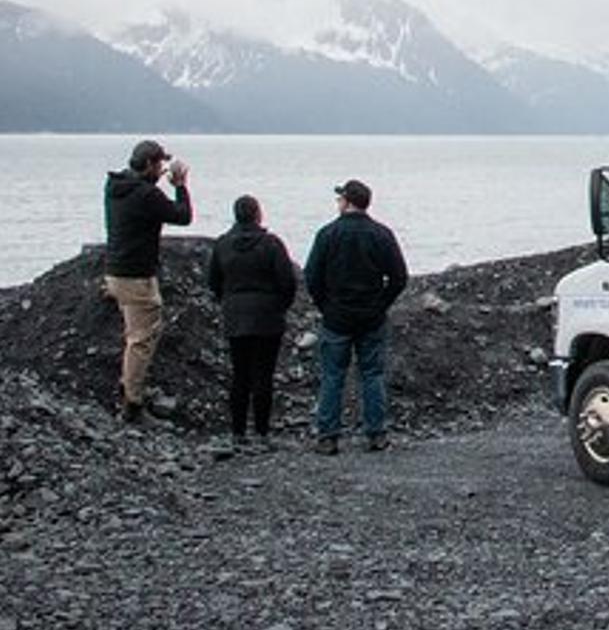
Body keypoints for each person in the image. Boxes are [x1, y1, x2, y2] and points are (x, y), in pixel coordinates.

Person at [303, 178, 408, 454]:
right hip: (371, 316)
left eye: (340, 198)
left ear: (347, 202)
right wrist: (381, 304)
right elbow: (399, 277)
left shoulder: (327, 234)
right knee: (372, 374)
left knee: (332, 376)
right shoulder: (381, 234)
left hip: (337, 316)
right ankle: (376, 434)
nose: (338, 202)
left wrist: (325, 306)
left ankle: (328, 436)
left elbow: (311, 276)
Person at [103, 139, 194, 422]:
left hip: (115, 270)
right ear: (149, 164)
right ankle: (132, 402)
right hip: (137, 275)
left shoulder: (115, 187)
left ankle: (129, 385)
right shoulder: (146, 195)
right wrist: (180, 186)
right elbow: (183, 216)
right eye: (159, 164)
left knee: (135, 335)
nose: (162, 169)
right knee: (141, 339)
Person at [205, 194, 297, 449]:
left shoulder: (223, 245)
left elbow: (213, 281)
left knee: (240, 374)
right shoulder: (271, 244)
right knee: (263, 374)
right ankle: (262, 432)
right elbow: (287, 281)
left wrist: (227, 302)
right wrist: (280, 306)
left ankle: (237, 432)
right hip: (267, 315)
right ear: (258, 214)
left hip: (236, 314)